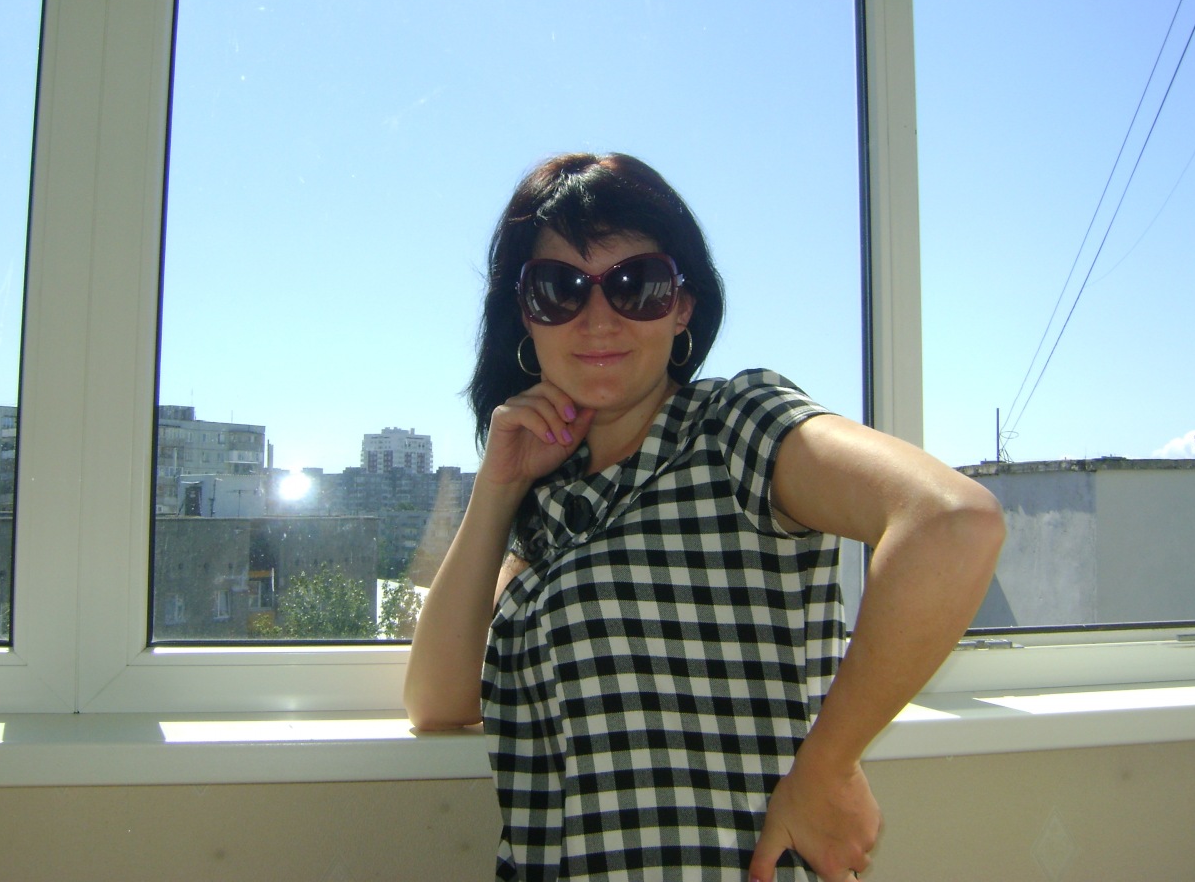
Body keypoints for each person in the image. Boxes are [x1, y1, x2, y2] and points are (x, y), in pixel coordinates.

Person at [404, 152, 1004, 882]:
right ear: (525, 316)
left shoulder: (733, 427)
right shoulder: (552, 503)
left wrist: (829, 767)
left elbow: (951, 523)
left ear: (683, 305)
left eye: (638, 284)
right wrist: (498, 490)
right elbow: (438, 702)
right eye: (560, 289)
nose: (599, 318)